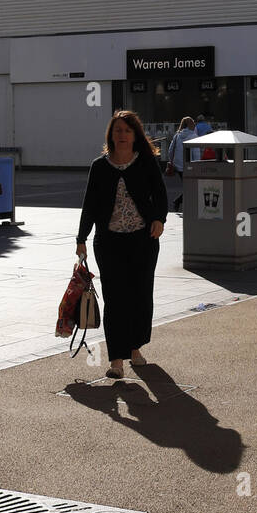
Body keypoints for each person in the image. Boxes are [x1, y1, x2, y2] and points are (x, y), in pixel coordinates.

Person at [76, 110, 167, 378]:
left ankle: (135, 348)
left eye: (127, 130)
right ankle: (116, 358)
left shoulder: (146, 162)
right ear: (111, 135)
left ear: (135, 135)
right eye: (118, 131)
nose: (123, 135)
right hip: (109, 242)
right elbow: (89, 205)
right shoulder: (99, 166)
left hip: (143, 240)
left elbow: (160, 193)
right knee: (115, 298)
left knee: (139, 295)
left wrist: (159, 219)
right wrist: (81, 238)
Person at [165, 115, 196, 212]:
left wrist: (172, 161)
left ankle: (179, 202)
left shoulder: (177, 135)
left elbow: (170, 150)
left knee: (188, 186)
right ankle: (178, 201)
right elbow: (196, 152)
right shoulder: (193, 136)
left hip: (178, 166)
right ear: (192, 125)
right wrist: (197, 164)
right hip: (190, 165)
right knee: (191, 187)